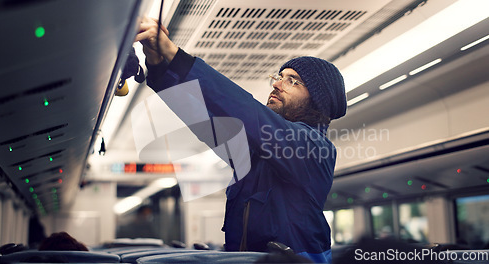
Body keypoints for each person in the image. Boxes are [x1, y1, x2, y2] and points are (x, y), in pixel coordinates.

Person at [135, 17, 347, 263]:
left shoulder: (312, 149)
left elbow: (246, 112)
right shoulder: (257, 152)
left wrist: (174, 54)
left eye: (292, 81)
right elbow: (203, 119)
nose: (277, 84)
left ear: (318, 100)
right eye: (279, 76)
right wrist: (159, 65)